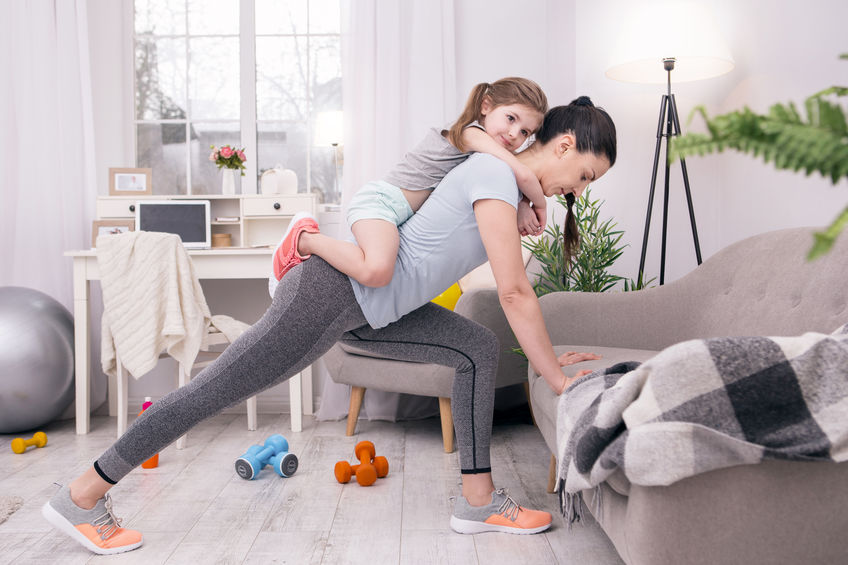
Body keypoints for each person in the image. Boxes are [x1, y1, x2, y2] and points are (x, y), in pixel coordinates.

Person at [42, 97, 616, 554]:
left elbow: (504, 237)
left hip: (374, 309)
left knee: (474, 348)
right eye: (585, 175)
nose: (580, 190)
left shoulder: (504, 181)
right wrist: (556, 379)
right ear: (564, 146)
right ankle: (83, 495)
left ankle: (477, 502)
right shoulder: (493, 172)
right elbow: (514, 290)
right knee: (212, 390)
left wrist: (546, 357)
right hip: (329, 292)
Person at [268, 77, 550, 297]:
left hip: (392, 212)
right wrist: (540, 204)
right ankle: (305, 238)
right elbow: (521, 173)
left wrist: (522, 204)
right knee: (376, 271)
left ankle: (306, 261)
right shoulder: (470, 132)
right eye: (511, 119)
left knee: (373, 272)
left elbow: (509, 175)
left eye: (525, 132)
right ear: (486, 106)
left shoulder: (486, 154)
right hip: (379, 203)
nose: (515, 134)